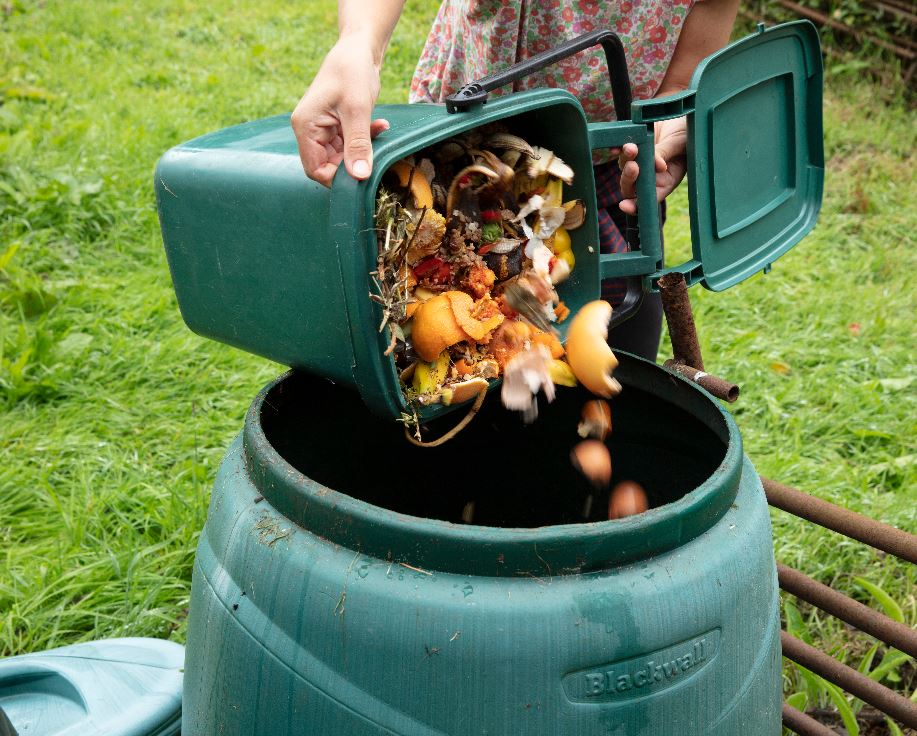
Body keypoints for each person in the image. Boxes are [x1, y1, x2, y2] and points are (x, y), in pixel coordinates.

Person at [291, 0, 739, 360]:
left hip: (608, 174)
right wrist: (359, 42)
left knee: (618, 353)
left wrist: (669, 122)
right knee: (427, 337)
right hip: (454, 151)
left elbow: (689, 63)